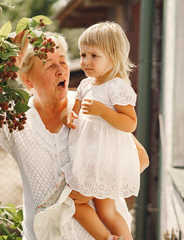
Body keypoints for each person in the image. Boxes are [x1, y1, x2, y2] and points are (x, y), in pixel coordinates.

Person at [0, 30, 149, 240]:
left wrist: (89, 185)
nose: (61, 70)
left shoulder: (90, 107)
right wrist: (0, 68)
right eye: (49, 65)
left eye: (63, 61)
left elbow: (140, 158)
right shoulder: (15, 119)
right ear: (28, 81)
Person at [35, 22, 140, 240]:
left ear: (113, 56)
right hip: (87, 156)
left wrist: (103, 111)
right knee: (105, 211)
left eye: (94, 55)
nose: (85, 61)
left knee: (74, 201)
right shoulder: (86, 84)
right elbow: (75, 112)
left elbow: (130, 123)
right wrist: (69, 116)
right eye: (83, 54)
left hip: (103, 160)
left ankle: (106, 238)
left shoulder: (117, 87)